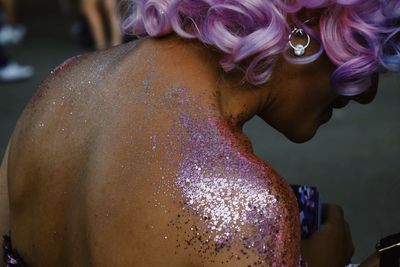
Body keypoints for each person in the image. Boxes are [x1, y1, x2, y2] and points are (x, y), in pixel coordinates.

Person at [0, 0, 398, 266]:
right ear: (305, 26)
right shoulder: (243, 206)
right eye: (361, 46)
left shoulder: (54, 93)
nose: (365, 91)